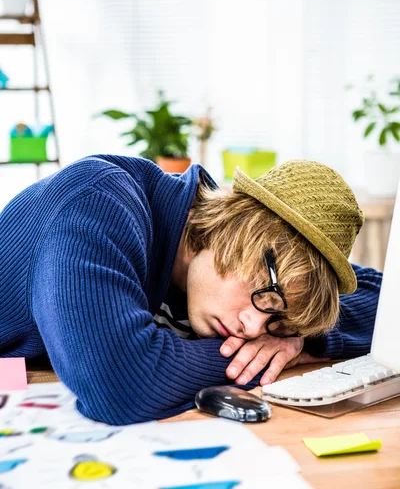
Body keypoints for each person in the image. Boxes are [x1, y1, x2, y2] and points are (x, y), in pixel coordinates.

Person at [0, 155, 382, 425]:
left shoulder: (216, 268)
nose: (252, 328)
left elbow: (384, 299)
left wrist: (299, 340)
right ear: (238, 227)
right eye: (266, 295)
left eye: (276, 320)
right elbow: (121, 383)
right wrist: (252, 360)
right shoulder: (96, 202)